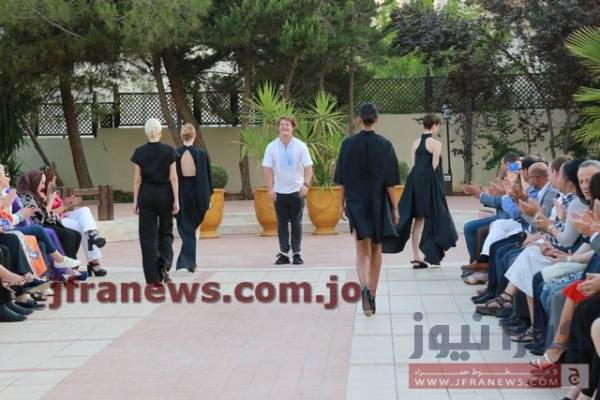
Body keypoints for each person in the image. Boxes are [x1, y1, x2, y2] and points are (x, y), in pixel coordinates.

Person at [334, 103, 400, 316]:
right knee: (376, 250)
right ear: (376, 119)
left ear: (359, 119)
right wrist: (395, 208)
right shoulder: (385, 145)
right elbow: (390, 182)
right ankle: (372, 294)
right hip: (378, 202)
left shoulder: (347, 145)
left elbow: (341, 180)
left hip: (355, 202)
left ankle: (363, 287)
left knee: (361, 249)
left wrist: (340, 205)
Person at [383, 113, 457, 268]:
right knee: (435, 216)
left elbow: (414, 165)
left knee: (418, 220)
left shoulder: (415, 143)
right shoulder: (436, 144)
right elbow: (434, 167)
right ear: (434, 125)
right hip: (428, 183)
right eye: (438, 125)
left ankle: (416, 256)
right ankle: (431, 254)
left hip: (414, 182)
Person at [131, 118, 179, 285]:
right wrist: (176, 200)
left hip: (146, 195)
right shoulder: (169, 151)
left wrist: (135, 201)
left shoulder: (139, 152)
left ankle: (153, 277)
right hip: (165, 194)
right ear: (160, 132)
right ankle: (164, 262)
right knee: (166, 230)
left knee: (147, 236)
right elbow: (173, 178)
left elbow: (137, 179)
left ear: (146, 132)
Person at [262, 116, 313, 265]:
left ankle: (297, 253)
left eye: (287, 125)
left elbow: (308, 167)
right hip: (279, 192)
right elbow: (267, 168)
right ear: (278, 128)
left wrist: (306, 184)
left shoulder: (301, 146)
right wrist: (270, 188)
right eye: (282, 125)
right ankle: (284, 253)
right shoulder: (271, 146)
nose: (284, 127)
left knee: (297, 223)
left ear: (293, 127)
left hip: (297, 191)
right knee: (281, 223)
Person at [42, 167, 107, 276]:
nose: (55, 178)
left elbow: (62, 207)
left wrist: (69, 203)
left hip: (64, 216)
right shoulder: (44, 194)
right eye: (53, 176)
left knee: (85, 211)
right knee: (81, 227)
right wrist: (65, 206)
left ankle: (93, 234)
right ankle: (93, 261)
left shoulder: (53, 192)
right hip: (56, 221)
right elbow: (48, 214)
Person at [175, 123, 213, 272]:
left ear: (181, 136)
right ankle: (190, 262)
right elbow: (206, 178)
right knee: (195, 229)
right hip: (197, 194)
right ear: (194, 136)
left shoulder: (175, 154)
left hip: (181, 195)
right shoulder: (200, 154)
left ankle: (189, 262)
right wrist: (208, 198)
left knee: (186, 229)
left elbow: (172, 178)